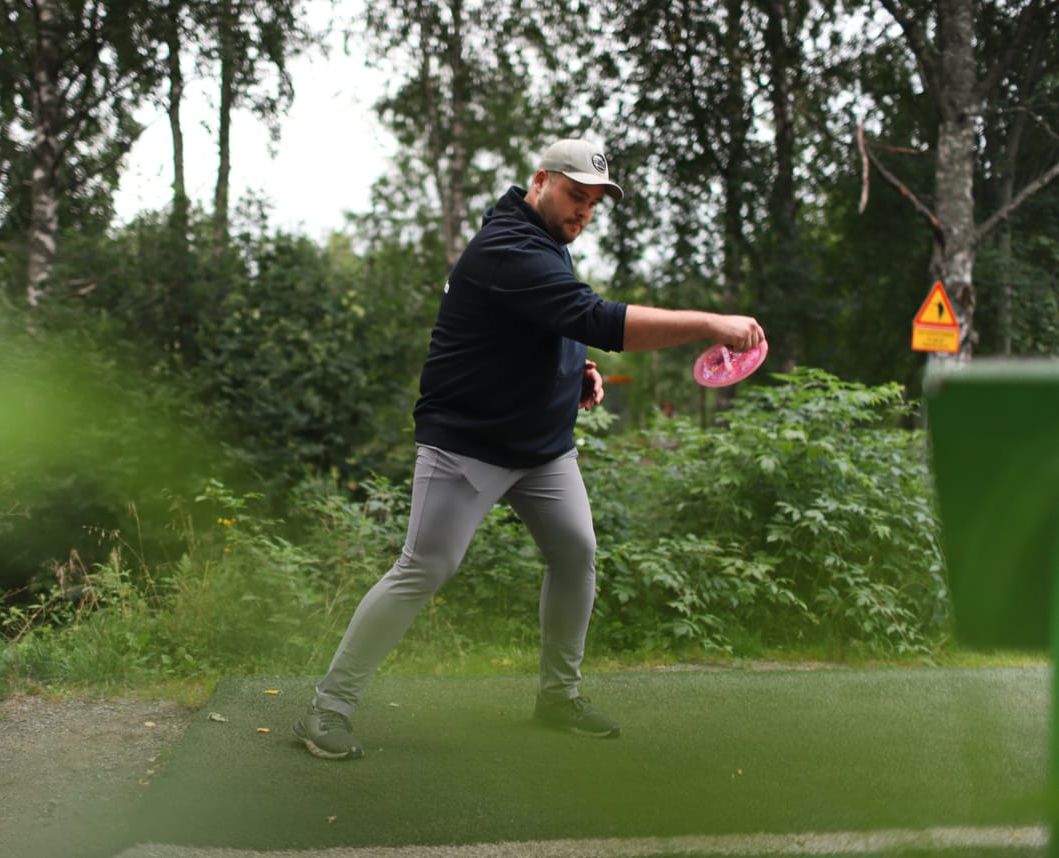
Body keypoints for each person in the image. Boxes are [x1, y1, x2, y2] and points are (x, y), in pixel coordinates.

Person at [293, 139, 764, 760]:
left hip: (542, 450)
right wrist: (709, 323)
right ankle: (326, 709)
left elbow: (548, 325)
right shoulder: (506, 247)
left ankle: (558, 698)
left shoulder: (547, 241)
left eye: (593, 203)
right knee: (425, 567)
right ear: (541, 181)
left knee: (576, 552)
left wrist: (577, 373)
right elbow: (593, 317)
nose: (583, 211)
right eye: (575, 195)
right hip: (468, 445)